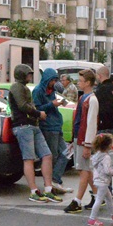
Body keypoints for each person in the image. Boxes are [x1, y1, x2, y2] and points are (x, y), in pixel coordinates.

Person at [9, 64, 56, 203]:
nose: (30, 76)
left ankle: (48, 189)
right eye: (28, 74)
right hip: (23, 125)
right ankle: (34, 191)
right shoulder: (16, 87)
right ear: (22, 75)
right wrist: (38, 113)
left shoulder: (22, 87)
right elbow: (23, 106)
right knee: (29, 158)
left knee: (47, 155)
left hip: (31, 125)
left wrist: (36, 114)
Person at [63, 70, 99, 214]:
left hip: (84, 139)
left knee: (83, 169)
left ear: (88, 83)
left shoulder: (91, 100)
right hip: (80, 137)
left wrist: (87, 145)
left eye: (81, 81)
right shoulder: (84, 97)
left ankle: (77, 201)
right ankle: (97, 195)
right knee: (84, 168)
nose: (78, 83)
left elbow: (91, 123)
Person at [34, 67, 70, 196]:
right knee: (53, 155)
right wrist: (52, 104)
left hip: (56, 125)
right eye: (52, 80)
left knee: (66, 153)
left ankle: (55, 179)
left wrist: (57, 103)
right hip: (48, 127)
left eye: (55, 80)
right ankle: (51, 183)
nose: (54, 83)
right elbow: (37, 109)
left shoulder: (52, 91)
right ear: (47, 79)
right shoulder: (38, 91)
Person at [87, 133, 113, 226]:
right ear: (109, 145)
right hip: (103, 181)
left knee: (108, 197)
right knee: (99, 200)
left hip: (97, 179)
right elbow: (107, 171)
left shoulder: (97, 155)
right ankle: (92, 219)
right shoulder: (106, 157)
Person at [95, 67, 113, 142]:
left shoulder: (101, 89)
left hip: (103, 122)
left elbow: (97, 104)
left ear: (99, 76)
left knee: (101, 144)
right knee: (109, 144)